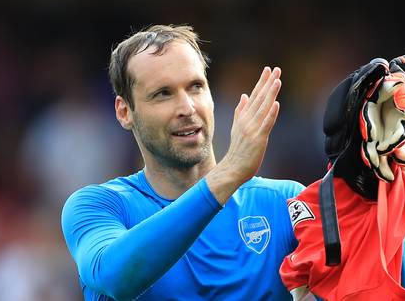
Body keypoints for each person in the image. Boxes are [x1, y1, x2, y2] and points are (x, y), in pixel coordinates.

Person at [61, 24, 305, 300]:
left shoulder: (284, 203)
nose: (187, 108)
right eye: (163, 93)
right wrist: (228, 175)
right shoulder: (99, 206)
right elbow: (115, 278)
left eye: (196, 87)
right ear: (125, 111)